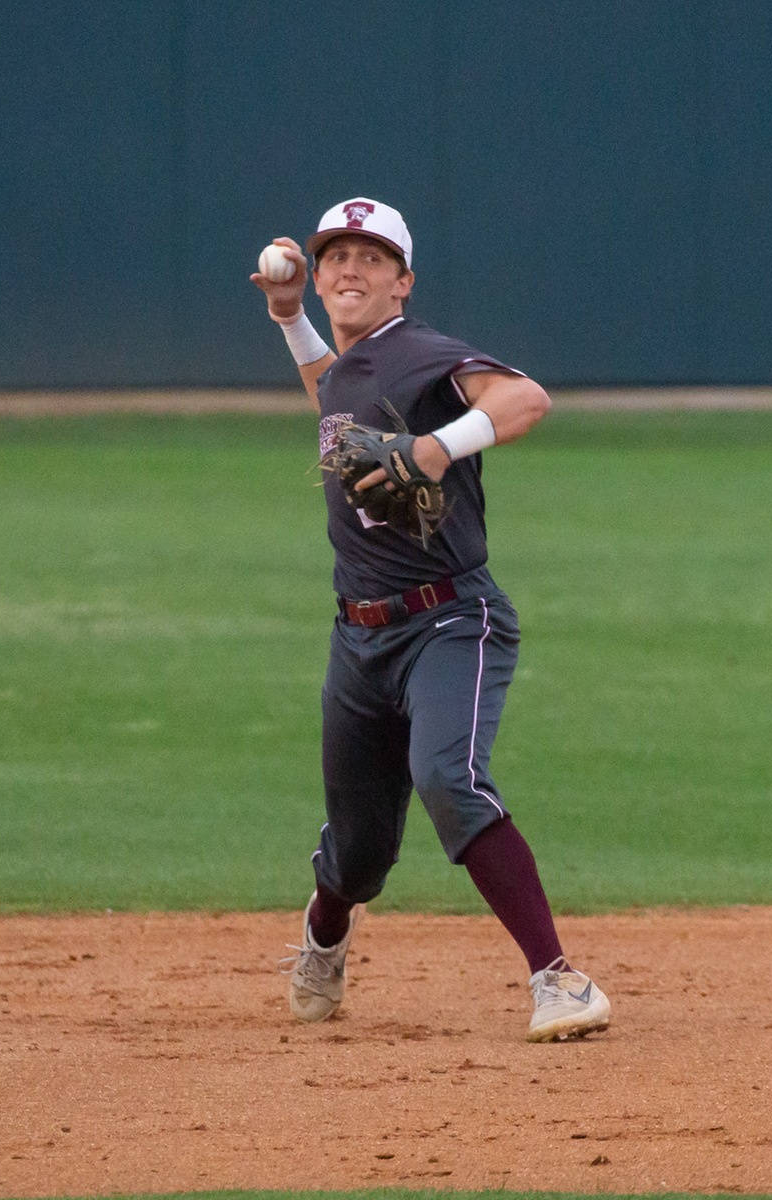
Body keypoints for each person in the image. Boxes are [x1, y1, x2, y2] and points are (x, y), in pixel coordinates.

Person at [249, 197, 610, 1042]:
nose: (349, 267)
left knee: (448, 777)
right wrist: (289, 317)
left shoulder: (418, 350)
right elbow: (333, 396)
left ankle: (558, 981)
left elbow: (526, 399)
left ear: (402, 282)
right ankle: (324, 934)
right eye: (336, 255)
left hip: (449, 620)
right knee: (358, 851)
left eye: (371, 258)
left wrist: (437, 446)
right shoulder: (355, 363)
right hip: (358, 639)